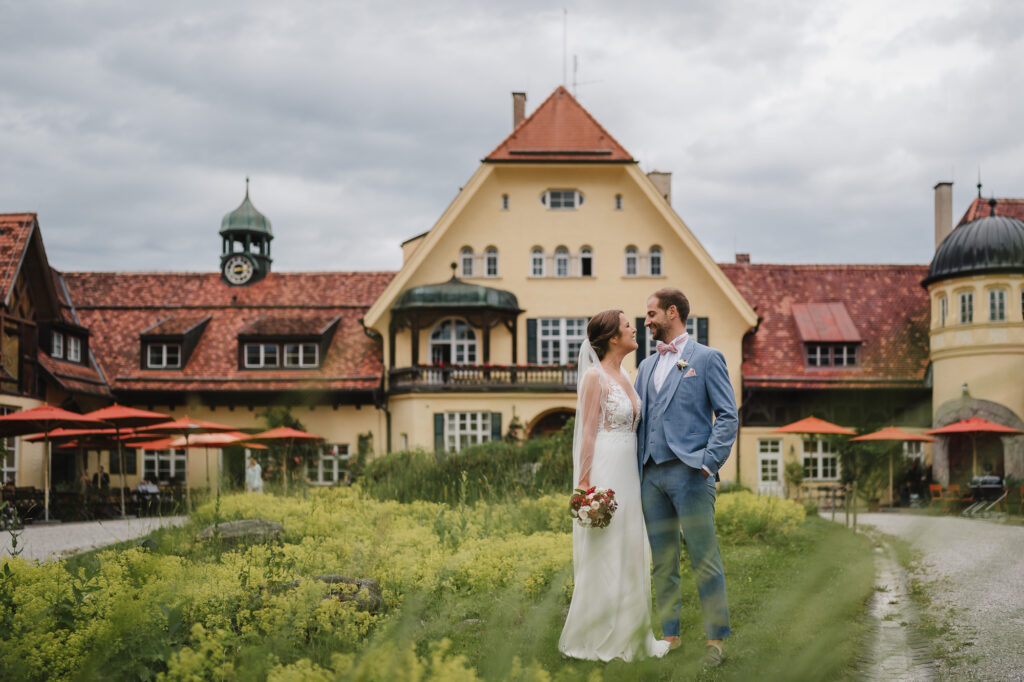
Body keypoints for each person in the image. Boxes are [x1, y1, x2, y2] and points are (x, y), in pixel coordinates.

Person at [559, 310, 671, 661]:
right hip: (606, 467)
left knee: (631, 545)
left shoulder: (625, 374)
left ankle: (633, 631)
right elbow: (587, 433)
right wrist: (584, 489)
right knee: (606, 546)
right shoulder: (594, 377)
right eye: (627, 325)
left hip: (629, 471)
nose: (634, 328)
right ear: (612, 337)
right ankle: (598, 633)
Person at [636, 288, 736, 667]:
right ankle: (671, 636)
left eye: (650, 314)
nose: (646, 322)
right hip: (650, 475)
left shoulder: (707, 359)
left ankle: (715, 642)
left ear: (672, 312)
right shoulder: (645, 367)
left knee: (704, 557)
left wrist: (709, 461)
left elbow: (728, 415)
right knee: (662, 561)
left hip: (692, 473)